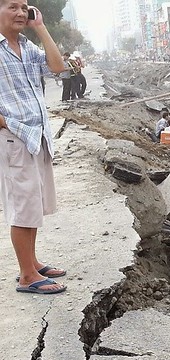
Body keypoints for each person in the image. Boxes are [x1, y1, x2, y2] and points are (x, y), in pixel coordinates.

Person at [0, 1, 67, 294]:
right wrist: (5, 123)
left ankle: (32, 262)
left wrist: (40, 28)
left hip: (36, 135)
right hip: (15, 137)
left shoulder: (27, 46)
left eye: (24, 7)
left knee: (33, 203)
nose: (20, 12)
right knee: (22, 207)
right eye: (12, 6)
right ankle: (27, 276)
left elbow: (57, 66)